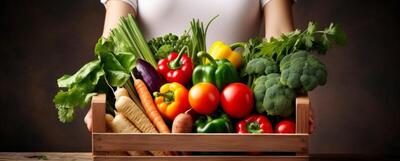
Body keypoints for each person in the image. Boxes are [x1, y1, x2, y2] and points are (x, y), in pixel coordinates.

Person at [85, 0, 314, 132]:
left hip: (239, 119)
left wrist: (295, 96)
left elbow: (281, 39)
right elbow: (111, 43)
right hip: (152, 117)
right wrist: (98, 98)